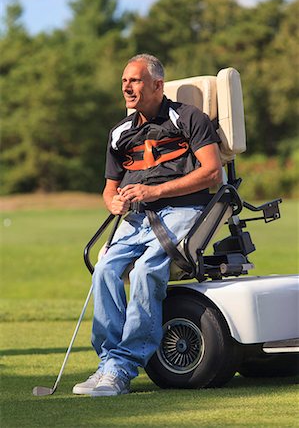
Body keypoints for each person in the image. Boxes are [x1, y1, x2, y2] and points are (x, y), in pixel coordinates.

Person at [73, 53, 222, 397]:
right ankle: (109, 363)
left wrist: (153, 190)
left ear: (157, 85)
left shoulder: (189, 118)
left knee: (144, 271)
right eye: (124, 80)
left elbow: (212, 172)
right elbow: (109, 189)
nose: (127, 86)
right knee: (105, 269)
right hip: (136, 217)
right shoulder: (119, 133)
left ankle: (122, 370)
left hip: (184, 210)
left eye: (135, 80)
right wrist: (114, 202)